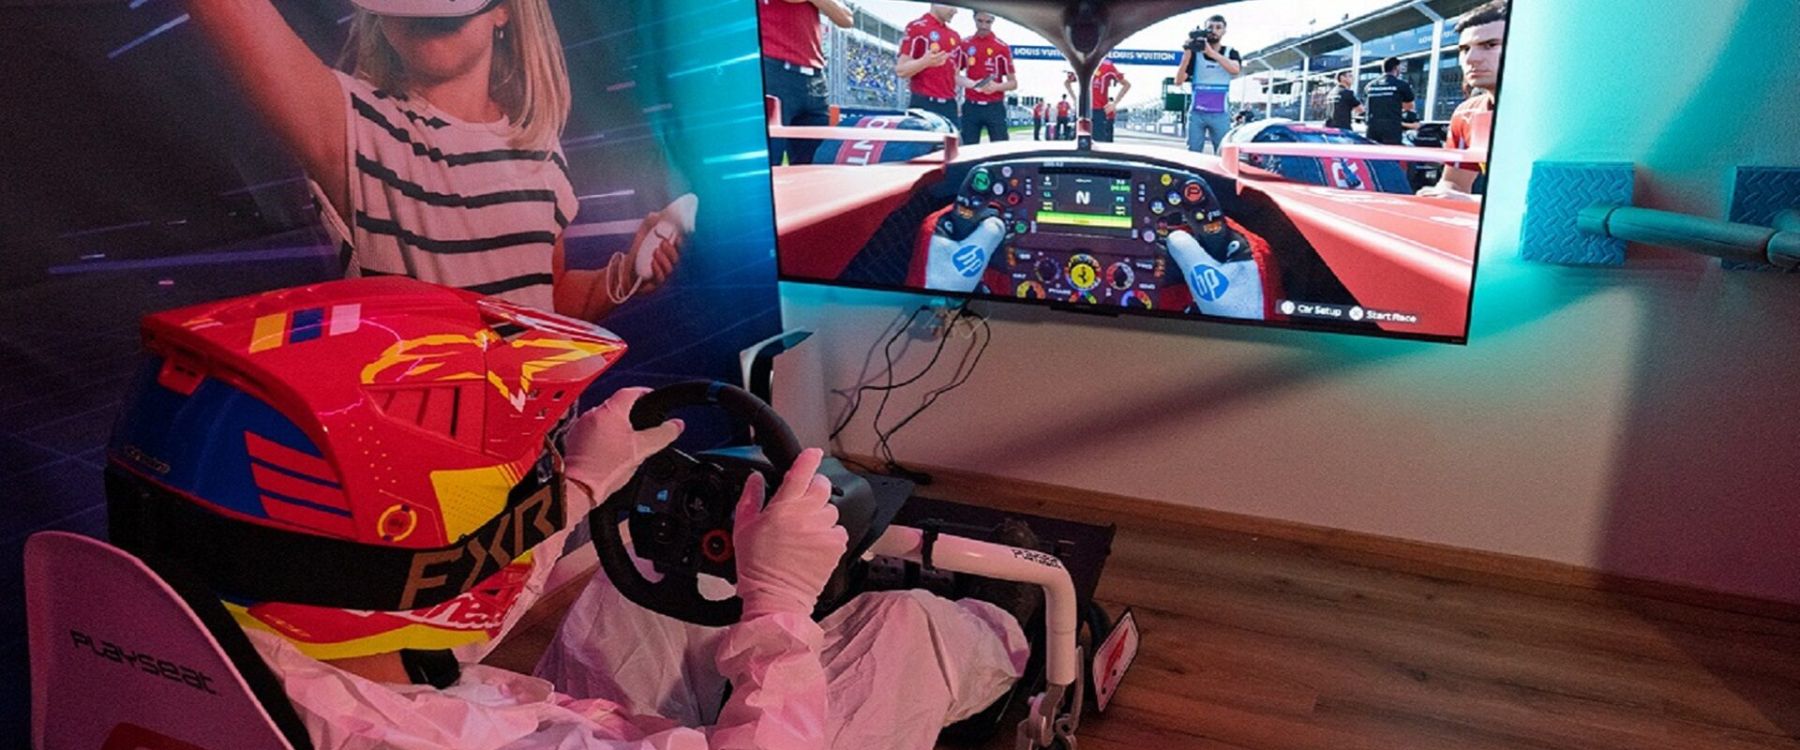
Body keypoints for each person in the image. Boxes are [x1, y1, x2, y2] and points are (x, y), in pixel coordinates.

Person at [111, 279, 1032, 750]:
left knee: (633, 592)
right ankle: (1024, 643)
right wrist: (782, 608)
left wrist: (582, 492)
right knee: (909, 626)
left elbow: (406, 611)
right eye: (515, 483)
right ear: (410, 557)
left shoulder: (237, 639)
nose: (531, 487)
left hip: (515, 711)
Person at [190, 0, 684, 324]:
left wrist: (623, 277)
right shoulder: (356, 127)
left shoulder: (540, 151)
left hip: (540, 445)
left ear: (504, 11)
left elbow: (544, 302)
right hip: (418, 454)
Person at [1420, 0, 1507, 202]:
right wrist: (1435, 196)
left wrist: (1473, 201)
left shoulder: (1562, 112)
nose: (1471, 59)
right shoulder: (1466, 113)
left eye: (1490, 45)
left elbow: (1569, 198)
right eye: (1464, 49)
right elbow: (1454, 184)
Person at [760, 0, 854, 166]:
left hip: (814, 76)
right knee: (768, 161)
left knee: (815, 162)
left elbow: (847, 18)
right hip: (773, 69)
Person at [1173, 14, 1240, 154]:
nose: (1214, 30)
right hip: (1197, 113)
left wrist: (1212, 53)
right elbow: (1178, 81)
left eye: (1218, 27)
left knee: (1223, 152)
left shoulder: (1231, 52)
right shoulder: (1196, 55)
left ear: (1224, 31)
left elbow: (1235, 70)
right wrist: (1187, 55)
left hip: (1220, 113)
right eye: (1210, 27)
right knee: (1193, 153)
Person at [895, 4, 965, 126]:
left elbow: (955, 75)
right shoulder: (916, 27)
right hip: (924, 104)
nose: (955, 10)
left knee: (954, 139)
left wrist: (975, 85)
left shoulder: (955, 36)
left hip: (950, 106)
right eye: (951, 5)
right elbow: (901, 70)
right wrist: (924, 62)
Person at [959, 11, 1017, 144]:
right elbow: (955, 74)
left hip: (994, 107)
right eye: (980, 21)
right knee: (968, 150)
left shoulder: (1002, 47)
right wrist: (972, 84)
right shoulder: (965, 44)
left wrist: (997, 87)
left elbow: (1013, 83)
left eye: (988, 22)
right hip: (971, 106)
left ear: (993, 21)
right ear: (974, 19)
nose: (984, 26)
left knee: (1000, 149)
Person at [1066, 57, 1130, 143]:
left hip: (1098, 111)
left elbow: (1126, 85)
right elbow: (1067, 83)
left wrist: (1114, 104)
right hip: (1082, 110)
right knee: (1080, 142)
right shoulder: (1082, 63)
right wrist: (1075, 99)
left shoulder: (1107, 66)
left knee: (1099, 142)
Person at [1362, 57, 1416, 145]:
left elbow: (1366, 105)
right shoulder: (1401, 85)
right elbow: (1409, 107)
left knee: (1373, 151)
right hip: (1391, 128)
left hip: (1372, 127)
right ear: (1396, 68)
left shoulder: (1370, 86)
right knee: (1390, 152)